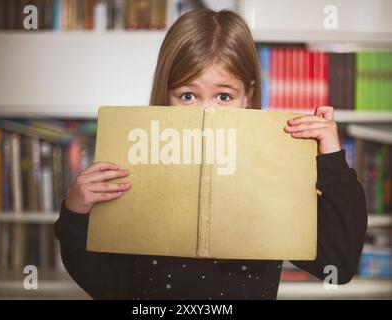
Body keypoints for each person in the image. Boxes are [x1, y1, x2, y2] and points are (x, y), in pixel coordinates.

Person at [55, 9, 367, 300]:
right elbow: (109, 287)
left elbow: (337, 265)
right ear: (166, 95)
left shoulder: (275, 169)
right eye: (187, 95)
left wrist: (332, 161)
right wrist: (75, 214)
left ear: (248, 96)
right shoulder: (136, 163)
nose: (207, 112)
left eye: (223, 96)